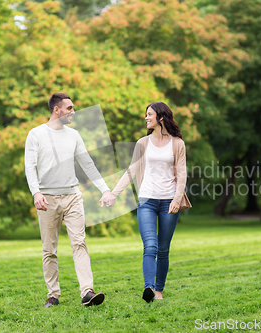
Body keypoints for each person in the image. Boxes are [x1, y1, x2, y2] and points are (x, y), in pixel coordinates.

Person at [24, 92, 115, 307]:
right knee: (49, 249)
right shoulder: (35, 134)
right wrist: (36, 193)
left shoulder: (73, 135)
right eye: (70, 108)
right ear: (57, 110)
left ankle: (87, 292)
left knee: (79, 243)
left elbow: (88, 164)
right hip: (47, 199)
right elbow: (30, 167)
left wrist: (105, 189)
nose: (73, 112)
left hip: (73, 196)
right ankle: (53, 295)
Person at [109, 102, 191, 302]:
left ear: (161, 117)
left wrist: (177, 199)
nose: (146, 118)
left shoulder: (177, 143)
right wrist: (114, 193)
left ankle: (159, 291)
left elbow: (182, 175)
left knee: (163, 249)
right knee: (150, 246)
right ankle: (149, 288)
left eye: (149, 114)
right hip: (147, 200)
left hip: (169, 201)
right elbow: (131, 171)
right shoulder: (142, 143)